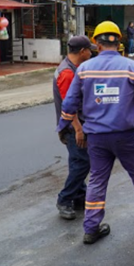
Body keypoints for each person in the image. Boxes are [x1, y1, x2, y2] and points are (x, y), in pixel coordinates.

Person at [56, 21, 134, 245]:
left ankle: (91, 228)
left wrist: (63, 126)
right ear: (119, 42)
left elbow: (69, 104)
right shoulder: (132, 67)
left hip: (96, 137)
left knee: (96, 181)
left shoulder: (84, 69)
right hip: (126, 136)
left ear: (96, 43)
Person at [54, 35, 96, 220]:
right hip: (73, 126)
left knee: (76, 162)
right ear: (82, 52)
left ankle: (80, 197)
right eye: (89, 50)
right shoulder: (67, 73)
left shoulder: (72, 68)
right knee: (82, 163)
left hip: (74, 124)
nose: (91, 52)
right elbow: (68, 106)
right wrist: (78, 129)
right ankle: (65, 199)